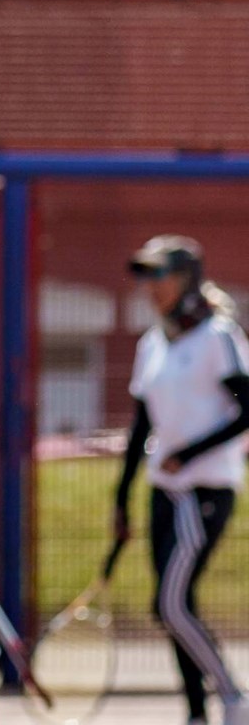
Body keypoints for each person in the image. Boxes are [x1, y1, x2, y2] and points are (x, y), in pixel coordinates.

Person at [116, 235, 249, 725]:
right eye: (146, 276)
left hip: (205, 491)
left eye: (161, 274)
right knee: (178, 605)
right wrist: (121, 497)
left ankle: (233, 696)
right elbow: (140, 426)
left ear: (187, 278)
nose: (152, 286)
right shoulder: (152, 343)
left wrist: (189, 454)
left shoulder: (218, 337)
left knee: (169, 604)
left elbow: (245, 411)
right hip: (162, 493)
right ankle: (196, 712)